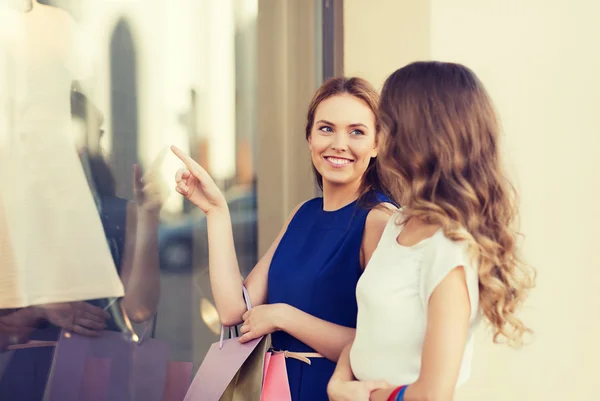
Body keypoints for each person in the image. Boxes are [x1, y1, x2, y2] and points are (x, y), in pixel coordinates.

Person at [171, 77, 397, 401]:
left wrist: (283, 317)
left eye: (356, 132)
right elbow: (234, 310)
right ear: (309, 137)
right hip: (278, 390)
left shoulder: (380, 221)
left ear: (377, 145)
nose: (339, 143)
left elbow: (383, 346)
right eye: (326, 128)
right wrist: (215, 211)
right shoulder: (302, 214)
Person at [327, 61, 536, 401]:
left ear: (416, 134)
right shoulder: (399, 222)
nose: (378, 133)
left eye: (386, 122)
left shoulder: (448, 248)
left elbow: (432, 395)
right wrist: (339, 381)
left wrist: (357, 397)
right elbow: (370, 331)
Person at [0, 91, 162, 400]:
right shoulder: (8, 215)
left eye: (94, 135)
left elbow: (139, 309)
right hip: (22, 378)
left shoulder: (118, 212)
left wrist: (149, 218)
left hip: (102, 375)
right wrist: (41, 310)